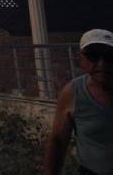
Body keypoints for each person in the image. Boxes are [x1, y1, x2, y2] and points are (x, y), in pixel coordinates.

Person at [45, 28, 113, 175]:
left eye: (109, 56)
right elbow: (58, 141)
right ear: (81, 58)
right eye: (92, 56)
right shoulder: (73, 92)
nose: (102, 63)